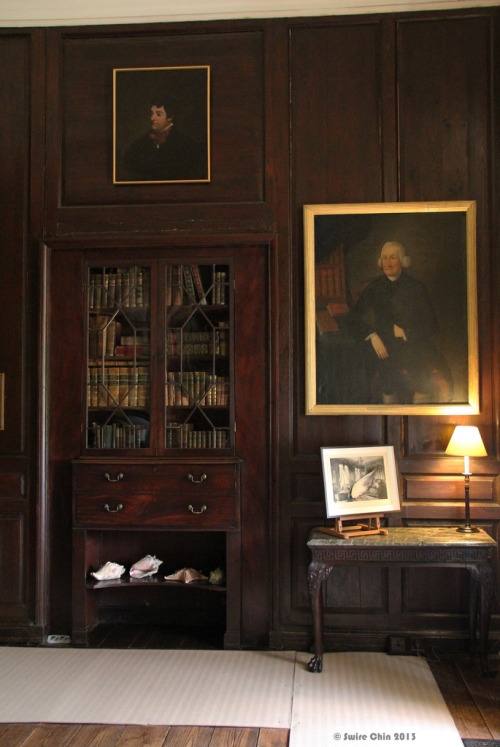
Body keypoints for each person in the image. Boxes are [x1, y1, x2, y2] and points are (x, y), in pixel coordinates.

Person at [345, 241, 452, 404]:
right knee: (384, 381)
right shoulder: (374, 288)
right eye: (385, 258)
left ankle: (419, 416)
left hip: (415, 345)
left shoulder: (417, 287)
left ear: (403, 261)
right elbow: (353, 319)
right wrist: (372, 336)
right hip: (385, 347)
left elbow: (431, 325)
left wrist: (404, 332)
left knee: (421, 380)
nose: (388, 263)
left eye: (393, 258)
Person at [122, 94, 207, 182]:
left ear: (170, 117)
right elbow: (129, 165)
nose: (152, 118)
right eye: (152, 113)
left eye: (158, 114)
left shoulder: (185, 144)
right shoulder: (141, 143)